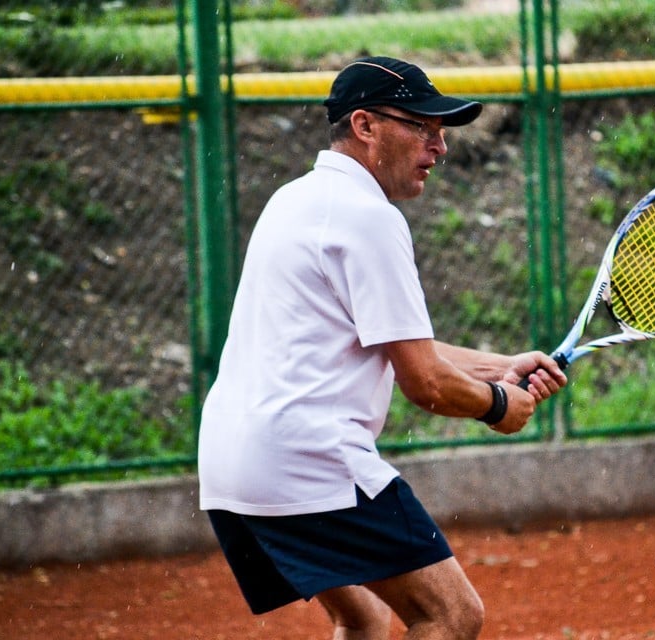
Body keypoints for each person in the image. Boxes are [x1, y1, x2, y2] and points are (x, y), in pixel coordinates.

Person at [197, 56, 568, 640]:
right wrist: (498, 405)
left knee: (365, 616)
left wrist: (501, 366)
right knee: (449, 614)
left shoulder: (295, 199)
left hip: (231, 462)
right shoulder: (369, 217)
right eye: (422, 127)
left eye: (441, 131)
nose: (439, 147)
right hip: (307, 461)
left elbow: (394, 343)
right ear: (366, 126)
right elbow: (426, 384)